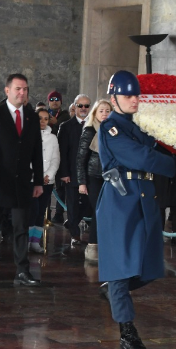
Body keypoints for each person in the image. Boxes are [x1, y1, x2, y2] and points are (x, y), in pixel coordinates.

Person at [95, 70, 176, 349]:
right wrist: (174, 165)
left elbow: (161, 148)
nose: (134, 100)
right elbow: (141, 157)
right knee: (121, 267)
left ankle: (115, 290)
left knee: (150, 267)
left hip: (146, 199)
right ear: (114, 98)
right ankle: (127, 329)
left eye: (137, 95)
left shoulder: (141, 125)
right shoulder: (110, 127)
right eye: (128, 95)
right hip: (121, 201)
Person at [0, 73, 44, 287]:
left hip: (21, 182)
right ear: (7, 91)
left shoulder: (31, 116)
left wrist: (38, 181)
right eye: (17, 89)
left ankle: (22, 271)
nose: (22, 93)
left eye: (25, 89)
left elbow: (36, 153)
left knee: (21, 227)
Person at [76, 99, 111, 261]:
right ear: (95, 113)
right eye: (101, 111)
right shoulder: (90, 130)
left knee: (107, 212)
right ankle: (93, 246)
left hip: (110, 177)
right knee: (99, 210)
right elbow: (81, 158)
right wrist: (82, 182)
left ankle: (105, 245)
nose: (104, 114)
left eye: (107, 111)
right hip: (93, 177)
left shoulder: (114, 130)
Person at [57, 94, 91, 245]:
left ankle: (72, 221)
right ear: (75, 107)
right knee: (72, 204)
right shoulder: (66, 127)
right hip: (71, 172)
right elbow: (62, 152)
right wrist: (64, 173)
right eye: (80, 106)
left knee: (87, 204)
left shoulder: (94, 126)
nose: (83, 109)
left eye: (86, 106)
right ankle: (74, 234)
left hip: (89, 173)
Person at [28, 107, 59, 254]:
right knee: (31, 210)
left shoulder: (52, 138)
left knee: (41, 211)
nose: (43, 121)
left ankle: (35, 241)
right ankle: (26, 240)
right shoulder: (29, 135)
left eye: (46, 119)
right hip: (31, 179)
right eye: (40, 118)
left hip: (47, 180)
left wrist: (49, 174)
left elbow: (55, 159)